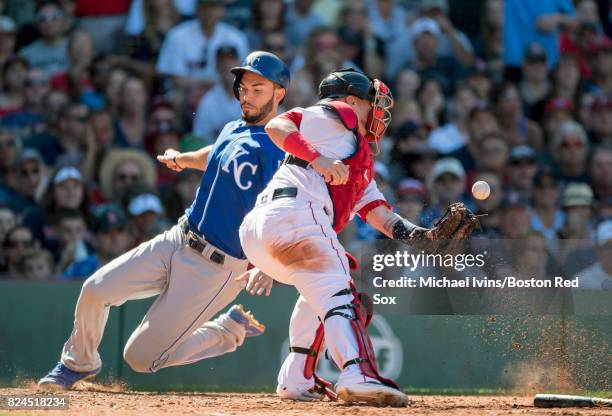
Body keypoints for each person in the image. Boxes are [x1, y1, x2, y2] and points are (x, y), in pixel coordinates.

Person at [37, 51, 291, 389]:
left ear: (279, 93)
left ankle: (227, 331)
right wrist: (183, 159)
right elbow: (216, 154)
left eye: (258, 88)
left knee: (139, 359)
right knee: (96, 290)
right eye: (243, 88)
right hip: (178, 238)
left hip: (217, 268)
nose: (247, 95)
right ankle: (78, 363)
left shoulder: (279, 147)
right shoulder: (235, 127)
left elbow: (282, 210)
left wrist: (266, 263)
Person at [239, 69, 411, 406]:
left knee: (318, 292)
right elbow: (277, 126)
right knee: (340, 292)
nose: (377, 111)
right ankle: (357, 373)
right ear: (351, 101)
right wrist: (318, 159)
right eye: (370, 103)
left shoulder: (353, 155)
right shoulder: (337, 115)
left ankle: (296, 378)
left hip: (265, 228)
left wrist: (426, 235)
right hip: (294, 213)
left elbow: (381, 215)